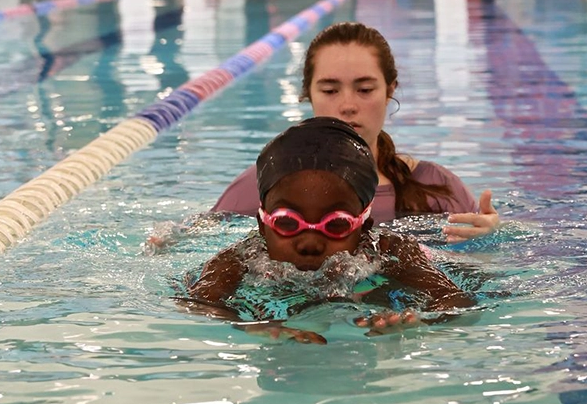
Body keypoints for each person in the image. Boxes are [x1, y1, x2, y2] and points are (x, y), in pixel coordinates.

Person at [183, 117, 475, 343]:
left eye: (336, 224)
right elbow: (196, 304)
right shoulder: (241, 258)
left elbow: (457, 300)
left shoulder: (391, 251)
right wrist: (249, 326)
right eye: (288, 222)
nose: (309, 242)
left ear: (363, 227)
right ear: (262, 224)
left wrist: (420, 322)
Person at [211, 22, 500, 243]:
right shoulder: (267, 182)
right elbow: (195, 242)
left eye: (364, 90)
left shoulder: (436, 188)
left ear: (390, 91)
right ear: (308, 95)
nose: (347, 106)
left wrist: (491, 238)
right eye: (330, 90)